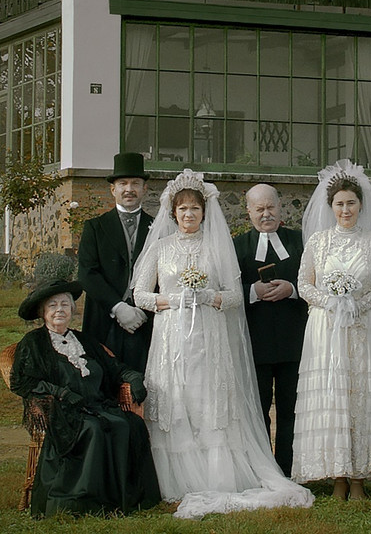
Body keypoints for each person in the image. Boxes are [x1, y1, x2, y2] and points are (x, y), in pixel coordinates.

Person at [131, 169, 314, 519]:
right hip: (171, 338)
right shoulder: (160, 248)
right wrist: (171, 300)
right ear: (173, 213)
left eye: (195, 208)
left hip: (209, 337)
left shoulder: (217, 246)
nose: (188, 214)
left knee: (208, 403)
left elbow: (232, 296)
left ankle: (217, 473)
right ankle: (175, 478)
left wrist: (208, 296)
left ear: (204, 211)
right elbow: (140, 295)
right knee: (177, 401)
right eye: (182, 209)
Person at [8, 279, 161, 517]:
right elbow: (23, 381)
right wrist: (61, 393)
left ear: (72, 309)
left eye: (64, 305)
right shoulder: (34, 343)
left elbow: (114, 368)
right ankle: (83, 503)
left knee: (127, 425)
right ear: (42, 312)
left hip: (97, 406)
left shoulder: (85, 340)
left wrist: (134, 379)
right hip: (62, 410)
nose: (59, 310)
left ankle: (121, 500)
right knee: (93, 430)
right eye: (52, 306)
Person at [292, 160, 371, 500]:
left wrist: (357, 304)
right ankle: (337, 476)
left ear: (361, 205)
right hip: (326, 328)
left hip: (365, 326)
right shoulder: (318, 242)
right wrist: (331, 301)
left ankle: (359, 478)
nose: (346, 209)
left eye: (351, 203)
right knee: (332, 394)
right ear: (331, 206)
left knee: (361, 394)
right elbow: (304, 284)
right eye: (339, 203)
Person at [233, 183, 307, 477]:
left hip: (294, 339)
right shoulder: (238, 246)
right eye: (259, 209)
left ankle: (289, 469)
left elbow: (316, 280)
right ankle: (264, 470)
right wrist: (253, 291)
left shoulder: (300, 241)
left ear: (280, 206)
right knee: (258, 409)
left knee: (292, 408)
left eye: (271, 207)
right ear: (248, 211)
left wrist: (292, 289)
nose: (266, 214)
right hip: (255, 341)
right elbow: (227, 289)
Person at [76, 152, 155, 371]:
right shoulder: (95, 227)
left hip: (145, 323)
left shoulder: (158, 227)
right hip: (104, 321)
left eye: (135, 183)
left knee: (144, 382)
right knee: (104, 380)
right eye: (123, 183)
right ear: (113, 189)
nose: (129, 189)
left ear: (144, 188)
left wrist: (143, 311)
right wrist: (118, 307)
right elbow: (87, 274)